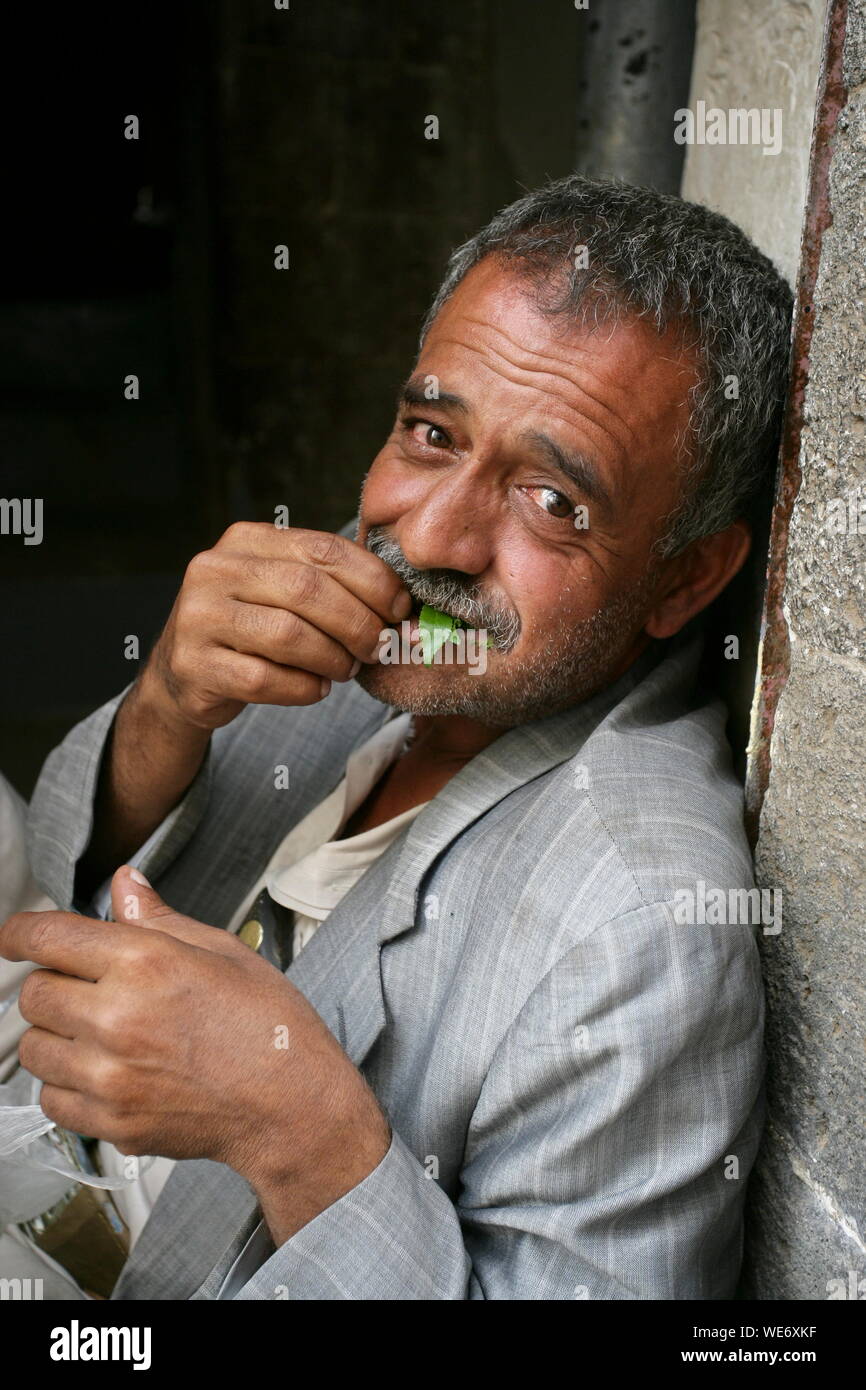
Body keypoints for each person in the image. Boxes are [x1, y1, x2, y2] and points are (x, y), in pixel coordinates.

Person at [1, 175, 792, 1300]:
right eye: (430, 432)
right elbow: (83, 858)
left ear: (683, 575)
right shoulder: (395, 612)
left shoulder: (641, 931)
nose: (429, 532)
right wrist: (169, 703)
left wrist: (297, 1129)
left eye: (551, 502)